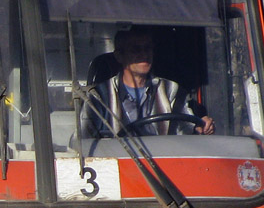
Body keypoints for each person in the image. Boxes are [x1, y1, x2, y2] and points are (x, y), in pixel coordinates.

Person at [81, 26, 215, 138]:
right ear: (119, 56)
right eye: (136, 50)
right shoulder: (99, 96)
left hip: (162, 165)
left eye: (147, 48)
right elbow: (82, 141)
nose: (144, 55)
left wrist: (200, 127)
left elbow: (185, 128)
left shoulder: (171, 90)